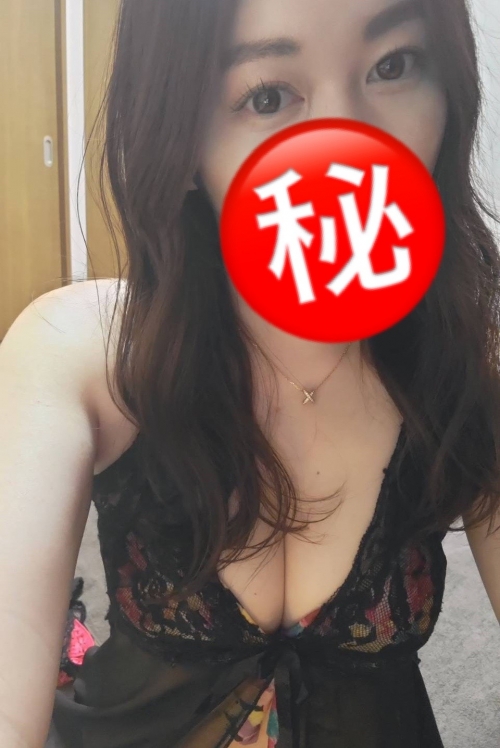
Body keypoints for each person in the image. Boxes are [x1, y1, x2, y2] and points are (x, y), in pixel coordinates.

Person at [1, 0, 499, 747]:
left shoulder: (472, 361)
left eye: (391, 66)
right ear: (182, 143)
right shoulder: (81, 349)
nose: (347, 146)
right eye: (267, 96)